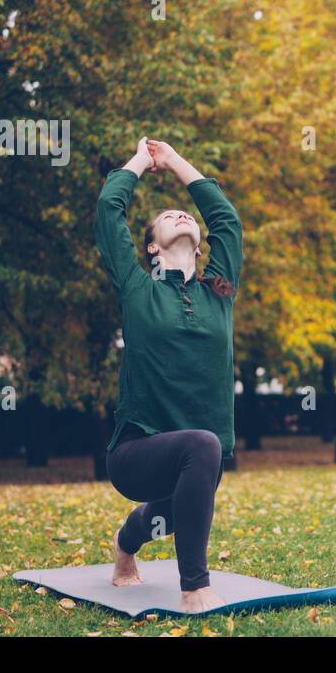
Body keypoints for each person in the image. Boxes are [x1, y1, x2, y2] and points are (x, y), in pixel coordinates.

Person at [94, 137, 244, 612]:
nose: (182, 214)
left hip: (199, 457)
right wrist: (142, 160)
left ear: (202, 247)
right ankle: (194, 586)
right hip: (136, 452)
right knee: (203, 446)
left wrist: (176, 161)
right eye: (168, 217)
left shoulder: (217, 290)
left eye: (188, 216)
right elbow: (107, 211)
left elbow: (227, 221)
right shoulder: (138, 289)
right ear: (152, 245)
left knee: (174, 507)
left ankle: (125, 543)